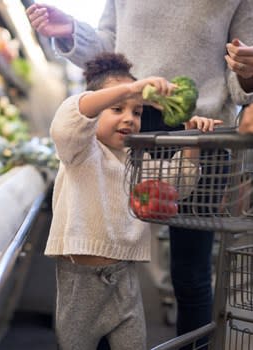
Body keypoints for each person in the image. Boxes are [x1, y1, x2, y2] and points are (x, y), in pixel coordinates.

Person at [26, 2, 253, 345]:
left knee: (191, 273)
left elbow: (241, 74)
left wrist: (248, 72)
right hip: (137, 127)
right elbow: (108, 55)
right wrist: (74, 31)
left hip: (201, 126)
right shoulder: (88, 140)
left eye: (125, 108)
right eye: (116, 108)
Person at [45, 51, 221, 350]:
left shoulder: (135, 160)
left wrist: (192, 139)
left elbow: (179, 184)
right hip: (81, 284)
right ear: (96, 106)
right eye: (117, 108)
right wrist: (131, 89)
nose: (129, 118)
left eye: (137, 112)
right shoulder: (79, 152)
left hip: (125, 280)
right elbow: (67, 120)